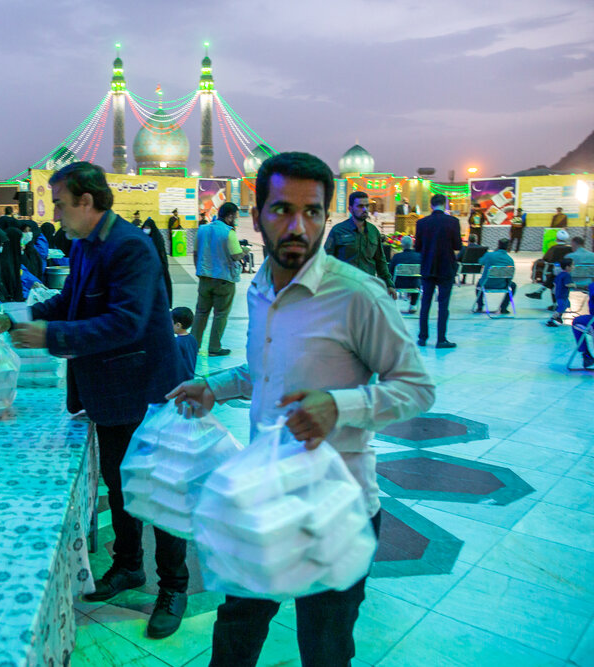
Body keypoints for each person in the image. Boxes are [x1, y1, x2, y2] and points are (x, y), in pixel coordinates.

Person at [166, 151, 434, 667]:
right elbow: (264, 374)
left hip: (339, 508)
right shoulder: (262, 287)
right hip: (266, 493)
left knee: (325, 646)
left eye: (312, 212)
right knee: (238, 627)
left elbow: (417, 388)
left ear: (327, 217)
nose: (298, 225)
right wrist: (211, 388)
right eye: (282, 209)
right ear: (256, 215)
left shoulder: (358, 296)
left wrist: (340, 406)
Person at [0, 162, 190, 639]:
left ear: (87, 202)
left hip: (145, 389)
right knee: (119, 482)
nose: (56, 213)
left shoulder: (129, 248)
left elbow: (125, 323)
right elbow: (71, 302)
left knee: (158, 488)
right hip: (110, 393)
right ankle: (129, 565)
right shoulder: (88, 245)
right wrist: (14, 319)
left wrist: (49, 334)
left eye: (61, 204)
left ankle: (174, 585)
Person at [192, 202, 245, 356]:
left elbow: (196, 253)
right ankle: (214, 348)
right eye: (235, 216)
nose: (235, 219)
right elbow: (236, 255)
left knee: (201, 313)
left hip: (204, 278)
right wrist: (245, 251)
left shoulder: (202, 229)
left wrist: (200, 271)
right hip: (224, 280)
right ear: (229, 216)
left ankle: (194, 346)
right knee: (220, 314)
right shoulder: (228, 232)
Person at [324, 191, 396, 297]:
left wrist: (389, 284)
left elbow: (380, 260)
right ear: (350, 209)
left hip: (367, 288)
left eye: (367, 206)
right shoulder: (338, 231)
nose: (365, 209)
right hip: (344, 289)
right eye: (360, 206)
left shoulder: (373, 231)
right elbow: (326, 259)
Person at [414, 193, 463, 348]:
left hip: (427, 267)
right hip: (446, 267)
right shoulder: (453, 222)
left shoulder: (422, 223)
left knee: (425, 304)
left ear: (431, 205)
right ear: (445, 204)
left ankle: (422, 337)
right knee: (443, 305)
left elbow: (418, 247)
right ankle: (441, 339)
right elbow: (457, 246)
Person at [527, 229, 572, 301]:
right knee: (554, 276)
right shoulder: (570, 249)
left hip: (554, 270)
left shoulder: (553, 248)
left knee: (553, 277)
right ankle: (540, 292)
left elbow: (546, 259)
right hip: (567, 271)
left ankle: (541, 292)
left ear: (557, 238)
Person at [474, 238, 516, 314]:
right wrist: (507, 284)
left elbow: (480, 261)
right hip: (502, 284)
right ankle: (504, 308)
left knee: (479, 284)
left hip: (486, 283)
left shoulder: (489, 255)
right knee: (513, 285)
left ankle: (480, 306)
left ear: (498, 245)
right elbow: (511, 276)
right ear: (508, 247)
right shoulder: (510, 260)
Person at [141, 217, 173, 307]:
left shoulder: (157, 239)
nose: (146, 229)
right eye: (145, 227)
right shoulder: (140, 238)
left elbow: (162, 256)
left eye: (148, 228)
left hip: (156, 270)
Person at [388, 235, 421, 313]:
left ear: (402, 245)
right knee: (416, 279)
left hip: (398, 283)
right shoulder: (418, 256)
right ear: (412, 244)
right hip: (414, 284)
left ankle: (390, 304)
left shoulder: (397, 257)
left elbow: (390, 271)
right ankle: (413, 305)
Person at [546, 258, 574, 327]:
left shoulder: (560, 274)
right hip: (563, 295)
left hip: (559, 294)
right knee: (561, 308)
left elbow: (555, 283)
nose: (574, 266)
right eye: (573, 265)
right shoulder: (567, 275)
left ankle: (558, 317)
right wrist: (574, 285)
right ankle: (552, 319)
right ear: (568, 267)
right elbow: (567, 284)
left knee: (566, 305)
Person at [172, 306, 198, 379]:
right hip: (190, 377)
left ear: (178, 325)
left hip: (179, 379)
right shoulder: (192, 339)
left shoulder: (176, 342)